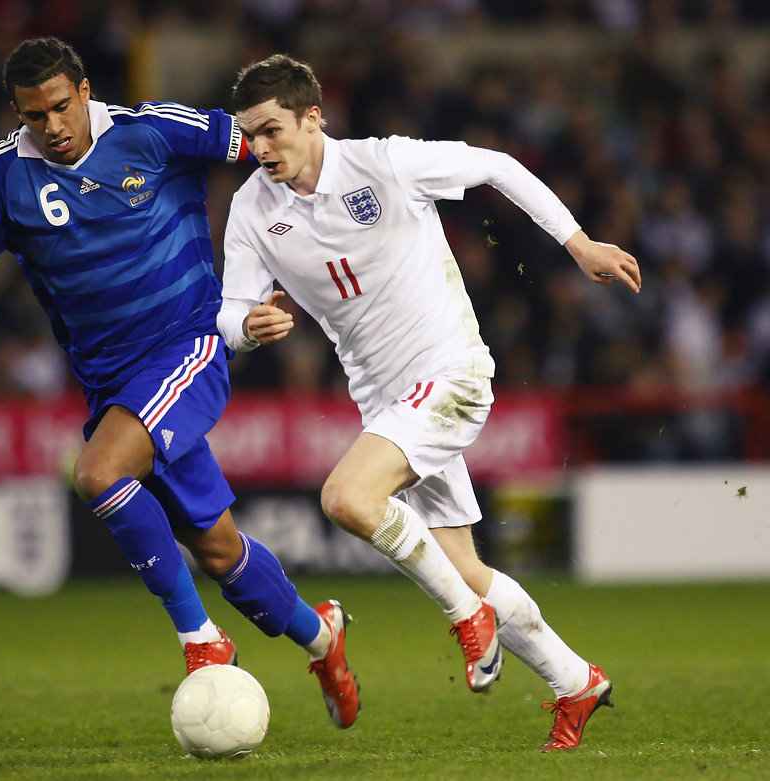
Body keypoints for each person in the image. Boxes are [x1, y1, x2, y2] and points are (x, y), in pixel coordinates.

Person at [0, 37, 359, 729]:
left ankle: (201, 641)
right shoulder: (3, 174)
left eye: (61, 106)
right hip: (113, 386)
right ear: (17, 114)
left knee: (97, 473)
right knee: (219, 550)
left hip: (187, 348)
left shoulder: (157, 131)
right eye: (34, 116)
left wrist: (326, 221)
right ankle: (322, 638)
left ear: (85, 92)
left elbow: (268, 145)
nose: (52, 126)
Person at [218, 54, 641, 750]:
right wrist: (248, 327)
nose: (260, 147)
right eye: (250, 135)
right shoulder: (253, 209)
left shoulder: (384, 163)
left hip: (450, 371)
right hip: (385, 400)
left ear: (313, 118)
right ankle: (576, 681)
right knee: (466, 567)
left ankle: (465, 616)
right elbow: (231, 309)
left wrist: (577, 243)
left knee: (347, 498)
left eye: (272, 130)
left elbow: (497, 166)